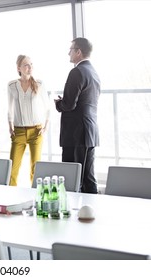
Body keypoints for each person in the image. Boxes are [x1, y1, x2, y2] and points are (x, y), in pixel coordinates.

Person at [54, 37, 100, 194]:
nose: (69, 53)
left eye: (71, 50)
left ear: (78, 52)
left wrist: (58, 103)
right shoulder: (93, 72)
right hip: (89, 132)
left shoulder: (77, 71)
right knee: (88, 177)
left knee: (73, 179)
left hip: (76, 133)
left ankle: (73, 214)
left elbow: (69, 104)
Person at [7, 55, 50, 186]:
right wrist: (10, 126)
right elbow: (9, 108)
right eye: (26, 65)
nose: (29, 67)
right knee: (12, 168)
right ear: (18, 68)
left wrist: (45, 128)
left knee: (35, 169)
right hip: (18, 131)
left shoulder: (39, 84)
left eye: (31, 64)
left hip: (36, 131)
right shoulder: (12, 85)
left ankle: (36, 197)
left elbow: (48, 108)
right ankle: (10, 196)